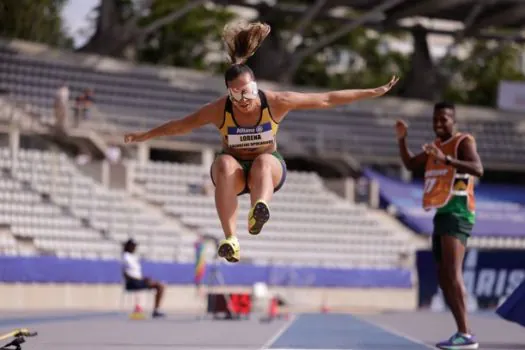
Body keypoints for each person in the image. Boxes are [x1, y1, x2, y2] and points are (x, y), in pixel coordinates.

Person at [124, 21, 399, 263]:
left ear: (256, 86)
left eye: (248, 92)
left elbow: (326, 98)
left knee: (264, 162)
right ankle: (231, 239)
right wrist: (143, 136)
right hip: (235, 172)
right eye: (237, 95)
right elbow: (181, 125)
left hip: (268, 170)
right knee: (222, 163)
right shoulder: (219, 110)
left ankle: (260, 208)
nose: (244, 101)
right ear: (229, 94)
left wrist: (370, 92)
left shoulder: (277, 102)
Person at [395, 102, 483, 350]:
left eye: (443, 119)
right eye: (435, 119)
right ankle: (461, 333)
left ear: (453, 121)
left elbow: (478, 169)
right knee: (444, 277)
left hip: (459, 212)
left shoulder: (463, 142)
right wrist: (402, 139)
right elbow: (412, 165)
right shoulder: (436, 148)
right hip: (443, 213)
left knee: (453, 273)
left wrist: (446, 160)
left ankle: (466, 334)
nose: (438, 124)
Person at [121, 238, 166, 318]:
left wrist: (143, 278)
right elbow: (125, 274)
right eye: (133, 246)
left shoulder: (132, 257)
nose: (134, 248)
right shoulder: (125, 257)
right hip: (132, 282)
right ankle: (155, 311)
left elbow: (135, 273)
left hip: (138, 281)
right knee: (159, 286)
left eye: (135, 246)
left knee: (159, 284)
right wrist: (140, 280)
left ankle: (155, 310)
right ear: (129, 246)